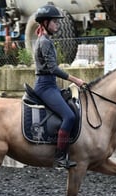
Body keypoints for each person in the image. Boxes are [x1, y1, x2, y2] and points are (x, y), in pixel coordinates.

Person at [33, 4, 85, 169]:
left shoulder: (46, 40)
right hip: (45, 86)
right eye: (55, 22)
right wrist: (75, 79)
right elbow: (52, 68)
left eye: (57, 22)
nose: (57, 24)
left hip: (50, 85)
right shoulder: (44, 42)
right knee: (69, 116)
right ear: (46, 23)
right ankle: (60, 157)